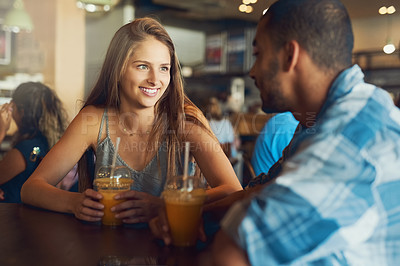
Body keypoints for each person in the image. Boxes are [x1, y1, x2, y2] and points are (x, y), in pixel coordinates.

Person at [209, 0, 400, 265]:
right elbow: (265, 188)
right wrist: (193, 213)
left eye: (258, 55)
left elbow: (234, 251)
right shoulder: (323, 118)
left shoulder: (349, 135)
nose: (253, 71)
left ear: (290, 56)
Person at [21, 17, 242, 224]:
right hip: (108, 248)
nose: (155, 80)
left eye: (164, 69)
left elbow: (232, 190)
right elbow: (31, 188)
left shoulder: (184, 121)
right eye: (143, 66)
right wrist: (74, 202)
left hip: (170, 248)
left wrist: (164, 205)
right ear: (118, 69)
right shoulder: (94, 120)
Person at [0, 82, 68, 203]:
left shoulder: (24, 150)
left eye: (13, 106)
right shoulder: (44, 142)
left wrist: (1, 131)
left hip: (11, 216)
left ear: (22, 112)